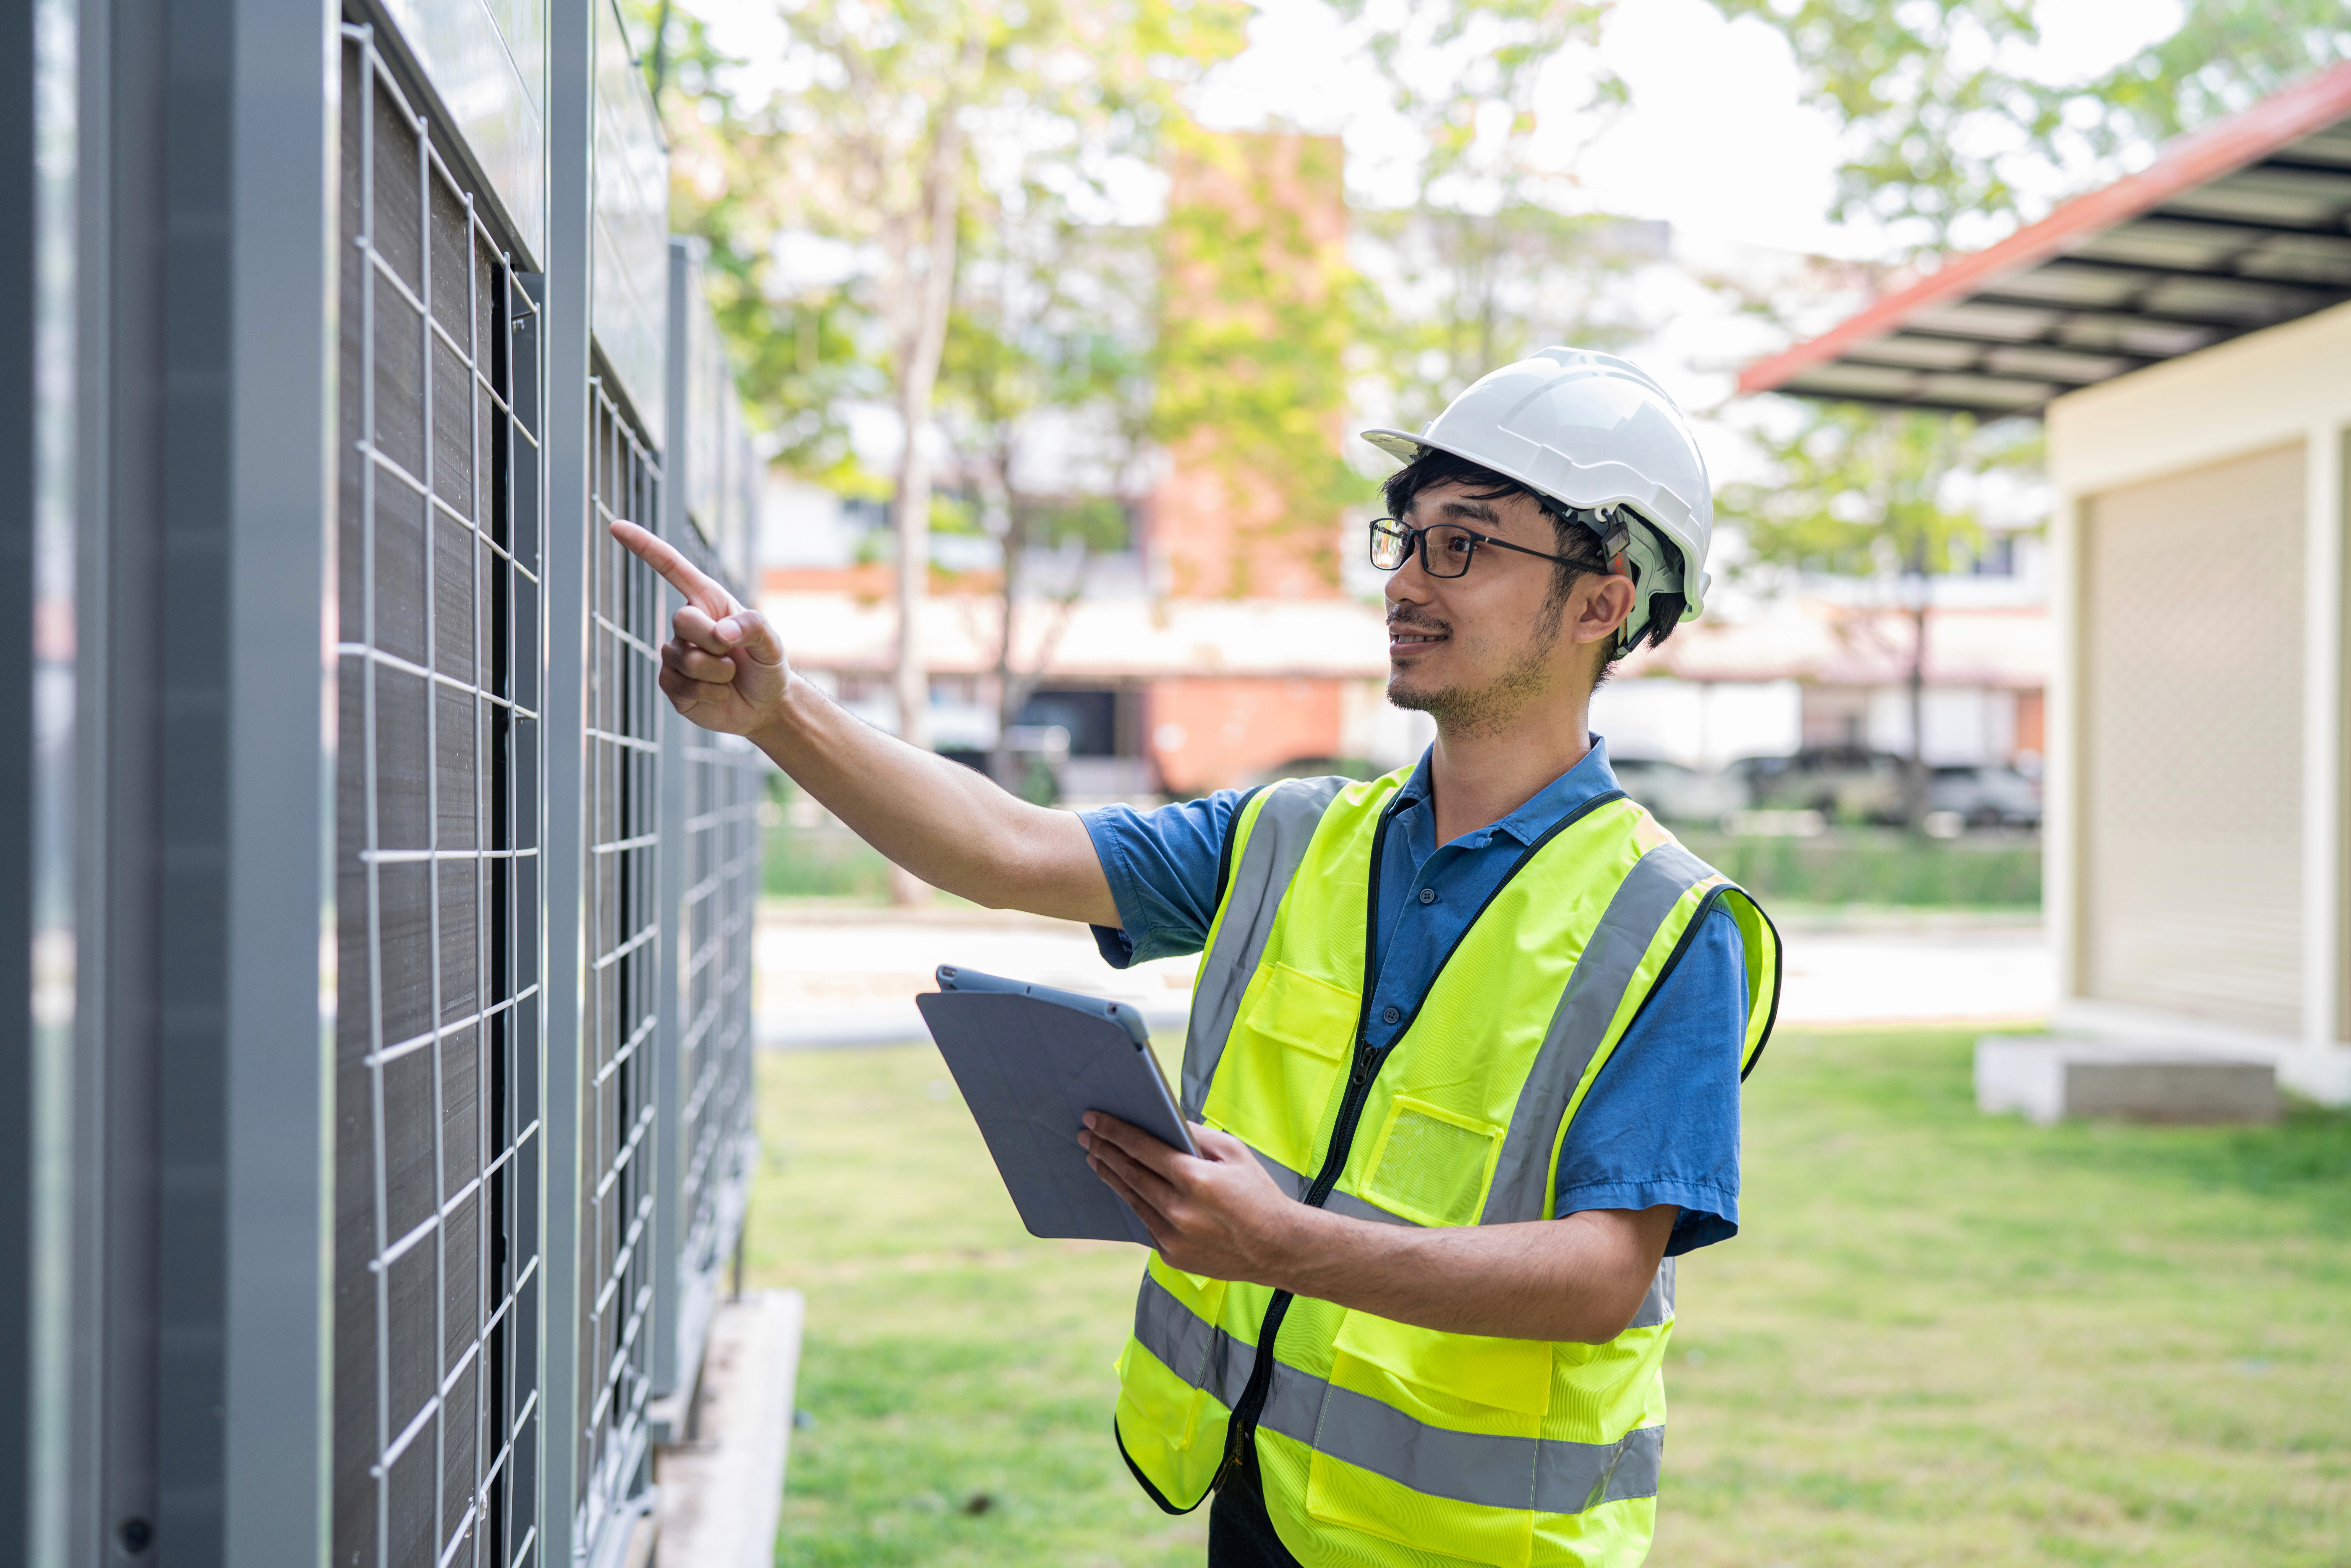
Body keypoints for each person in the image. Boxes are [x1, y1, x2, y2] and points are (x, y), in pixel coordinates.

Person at [613, 347, 1779, 1568]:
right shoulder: (1289, 836)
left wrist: (1284, 1245)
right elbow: (1011, 849)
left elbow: (1601, 1273)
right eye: (1406, 538)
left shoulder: (1670, 927)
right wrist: (778, 715)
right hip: (1261, 1506)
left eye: (1466, 544)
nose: (1407, 582)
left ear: (1601, 600)